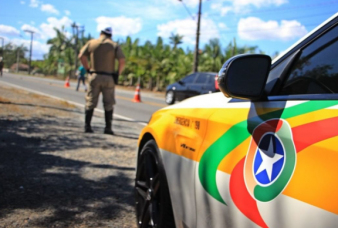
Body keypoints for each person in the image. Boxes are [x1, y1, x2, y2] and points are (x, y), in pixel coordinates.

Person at [78, 27, 125, 134]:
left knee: (91, 101)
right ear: (110, 35)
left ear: (100, 33)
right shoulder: (114, 45)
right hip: (109, 77)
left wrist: (88, 69)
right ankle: (108, 128)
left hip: (95, 75)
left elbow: (81, 56)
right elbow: (122, 61)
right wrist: (117, 74)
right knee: (108, 103)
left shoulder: (91, 43)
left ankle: (87, 126)